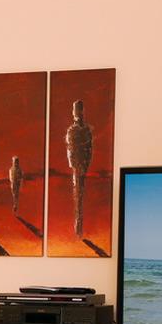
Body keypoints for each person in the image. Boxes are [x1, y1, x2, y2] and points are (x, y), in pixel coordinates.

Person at [66, 100, 93, 238]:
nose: (77, 113)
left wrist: (85, 164)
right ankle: (78, 223)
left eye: (78, 110)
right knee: (78, 194)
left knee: (80, 193)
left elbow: (89, 149)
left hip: (82, 165)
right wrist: (74, 165)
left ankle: (79, 223)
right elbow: (70, 149)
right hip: (77, 166)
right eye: (76, 110)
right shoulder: (72, 130)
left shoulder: (86, 130)